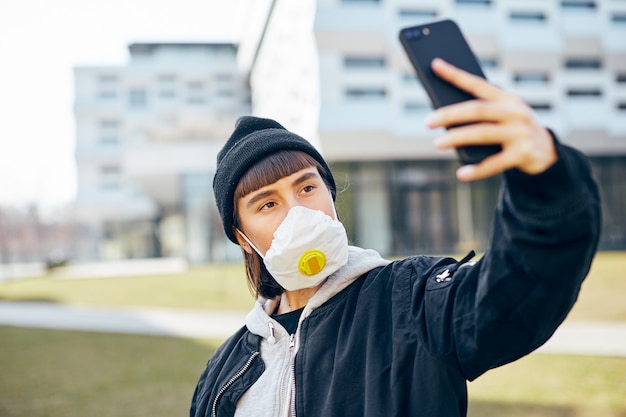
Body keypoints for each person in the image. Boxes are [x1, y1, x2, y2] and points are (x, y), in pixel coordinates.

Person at [190, 58, 601, 417]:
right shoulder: (225, 371)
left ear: (330, 195)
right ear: (242, 237)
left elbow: (516, 297)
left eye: (306, 188)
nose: (298, 212)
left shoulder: (411, 301)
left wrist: (546, 183)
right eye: (267, 204)